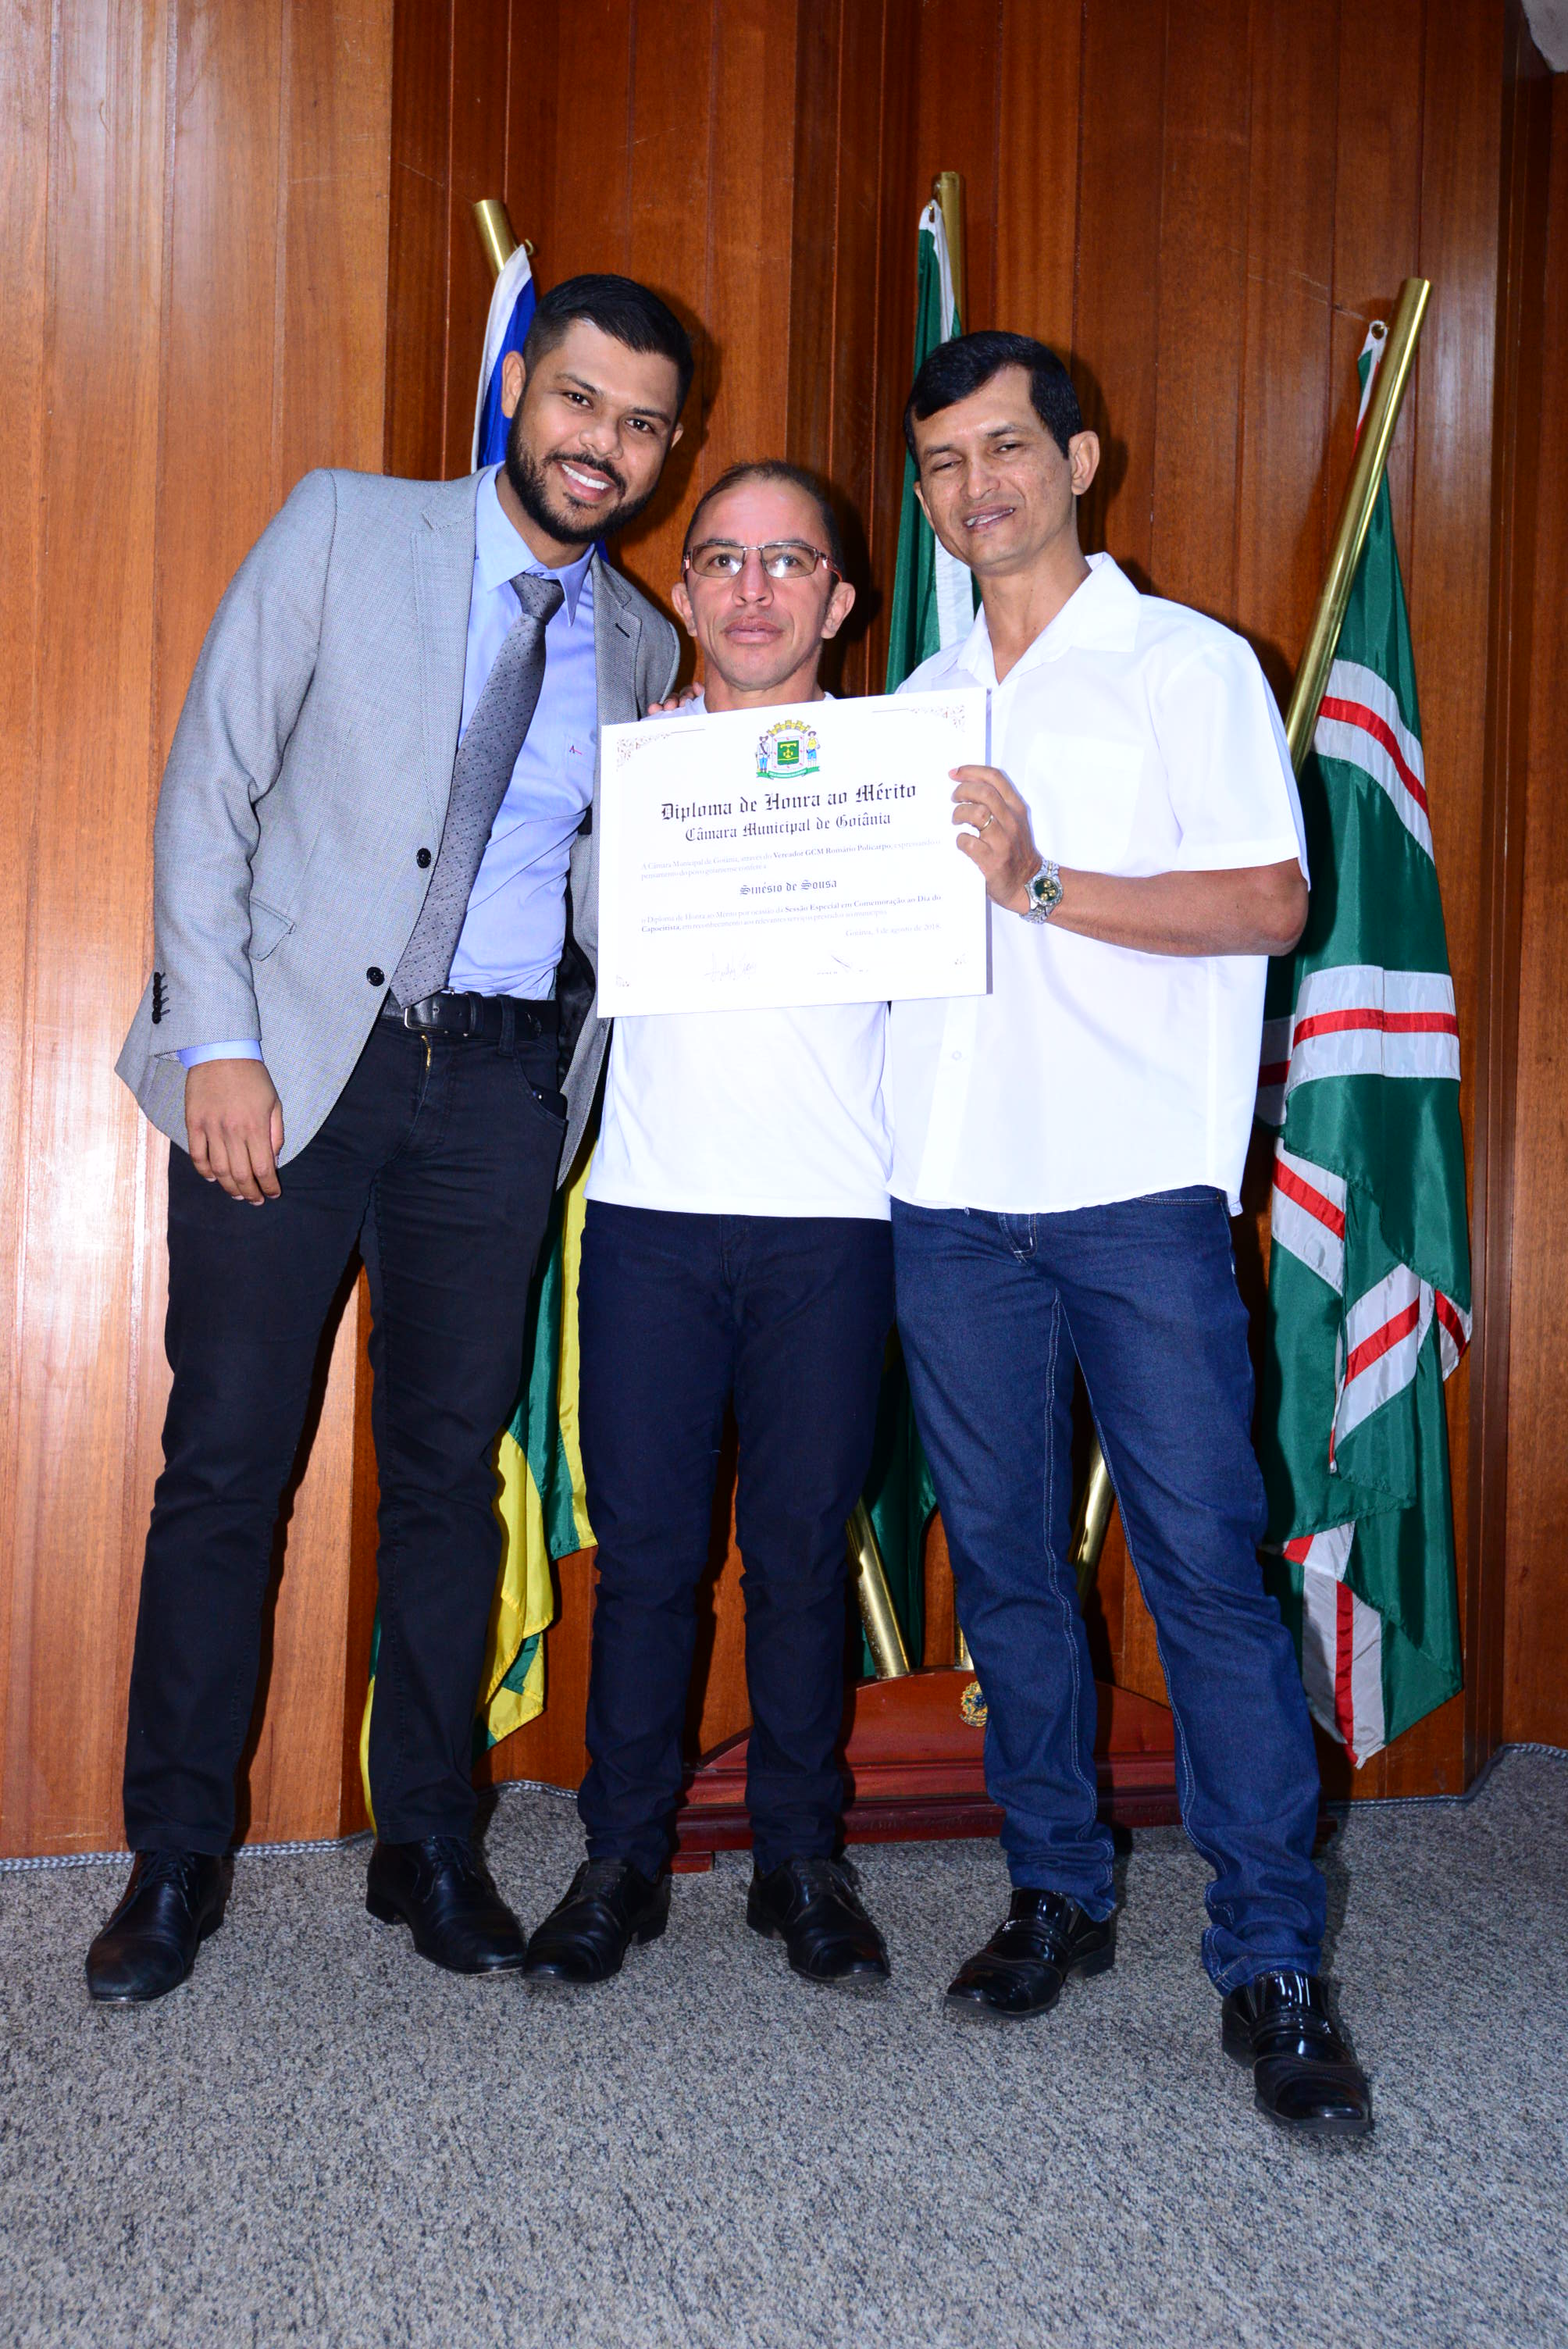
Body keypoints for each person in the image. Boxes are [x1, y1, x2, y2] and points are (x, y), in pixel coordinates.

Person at [88, 276, 690, 2005]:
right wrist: (219, 1041)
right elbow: (211, 782)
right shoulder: (346, 528)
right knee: (226, 1462)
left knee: (448, 1478)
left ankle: (425, 1838)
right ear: (519, 386)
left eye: (642, 424)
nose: (603, 444)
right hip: (289, 1071)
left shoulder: (643, 648)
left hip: (497, 1095)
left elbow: (609, 905)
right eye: (580, 400)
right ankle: (174, 1854)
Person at [890, 330, 1372, 2137]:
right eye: (942, 462)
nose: (975, 487)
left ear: (1078, 460)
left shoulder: (1185, 665)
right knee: (1005, 1571)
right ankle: (1055, 1890)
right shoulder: (916, 697)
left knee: (1201, 1572)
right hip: (946, 1197)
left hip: (1133, 1198)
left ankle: (1270, 1955)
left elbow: (1269, 896)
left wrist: (1040, 881)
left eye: (1005, 448)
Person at [522, 462, 895, 1991]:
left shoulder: (898, 771)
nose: (752, 590)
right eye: (723, 561)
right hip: (651, 1218)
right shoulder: (625, 769)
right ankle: (620, 1856)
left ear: (837, 600)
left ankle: (800, 1859)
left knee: (802, 1557)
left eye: (787, 562)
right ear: (680, 595)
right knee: (651, 1561)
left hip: (835, 1222)